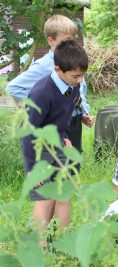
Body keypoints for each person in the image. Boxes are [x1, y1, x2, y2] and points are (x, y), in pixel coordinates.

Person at [21, 40, 88, 243]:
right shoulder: (42, 93)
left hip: (59, 147)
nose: (80, 80)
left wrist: (64, 135)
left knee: (63, 194)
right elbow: (27, 131)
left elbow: (62, 115)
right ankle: (40, 246)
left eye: (82, 75)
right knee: (44, 199)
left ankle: (62, 241)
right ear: (58, 69)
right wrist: (32, 168)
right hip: (39, 152)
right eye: (76, 76)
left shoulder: (71, 86)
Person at [6, 14, 94, 154]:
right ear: (51, 41)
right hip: (55, 124)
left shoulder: (74, 60)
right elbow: (13, 88)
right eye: (66, 40)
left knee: (72, 165)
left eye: (73, 40)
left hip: (74, 122)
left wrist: (84, 112)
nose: (71, 44)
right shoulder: (43, 66)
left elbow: (80, 89)